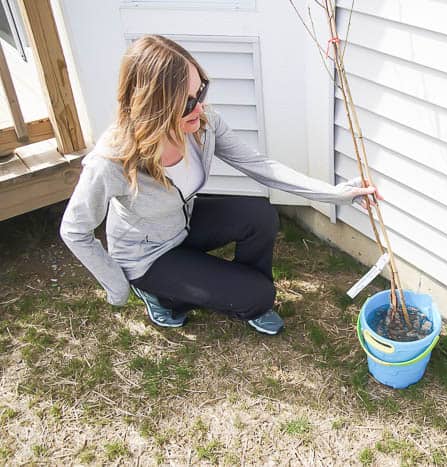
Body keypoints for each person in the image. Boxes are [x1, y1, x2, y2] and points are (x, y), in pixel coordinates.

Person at [60, 34, 380, 335]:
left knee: (260, 215)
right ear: (153, 106)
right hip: (149, 255)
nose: (200, 107)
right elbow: (74, 230)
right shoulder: (113, 160)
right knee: (260, 295)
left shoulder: (202, 124)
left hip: (181, 224)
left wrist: (337, 194)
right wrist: (117, 287)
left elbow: (260, 166)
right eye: (187, 102)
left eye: (201, 92)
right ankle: (163, 294)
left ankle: (245, 293)